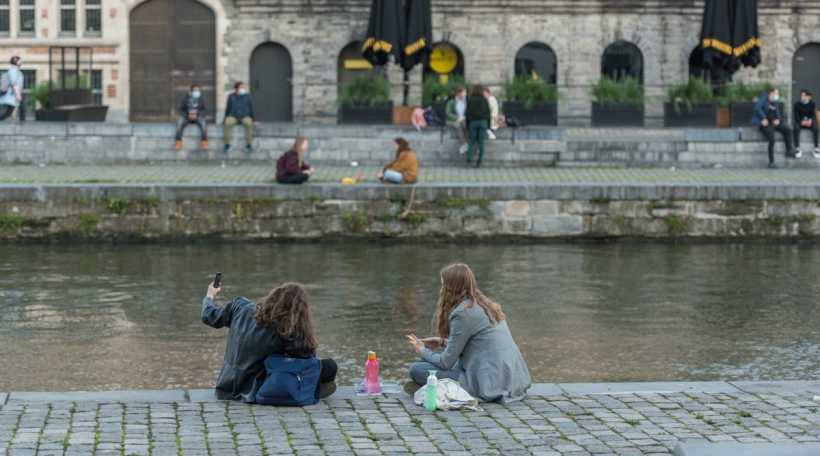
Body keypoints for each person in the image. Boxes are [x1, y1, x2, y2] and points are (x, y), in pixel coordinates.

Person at [406, 263, 531, 404]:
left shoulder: (462, 314)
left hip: (489, 384)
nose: (441, 290)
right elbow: (478, 346)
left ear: (450, 288)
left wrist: (422, 351)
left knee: (416, 369)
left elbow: (446, 362)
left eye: (443, 285)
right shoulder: (486, 305)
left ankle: (436, 388)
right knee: (452, 365)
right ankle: (434, 386)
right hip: (512, 380)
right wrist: (442, 342)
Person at [202, 280, 337, 403]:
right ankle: (311, 387)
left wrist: (210, 295)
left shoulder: (239, 306)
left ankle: (311, 387)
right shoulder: (285, 331)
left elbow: (209, 316)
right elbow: (309, 359)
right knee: (329, 366)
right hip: (254, 390)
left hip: (225, 386)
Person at [751, 87, 794, 169]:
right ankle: (771, 162)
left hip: (774, 123)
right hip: (765, 124)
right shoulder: (764, 98)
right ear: (771, 93)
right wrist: (763, 118)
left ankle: (789, 150)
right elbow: (757, 108)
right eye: (776, 94)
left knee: (787, 130)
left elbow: (777, 113)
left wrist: (778, 120)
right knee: (772, 139)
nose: (777, 96)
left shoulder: (774, 103)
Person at [223, 82, 257, 154]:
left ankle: (248, 145)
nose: (243, 89)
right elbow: (228, 108)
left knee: (248, 123)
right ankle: (227, 144)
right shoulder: (231, 96)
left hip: (245, 116)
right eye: (241, 87)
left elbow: (251, 108)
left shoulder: (247, 96)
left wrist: (253, 119)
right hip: (234, 116)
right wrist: (224, 119)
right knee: (227, 123)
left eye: (243, 87)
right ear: (236, 88)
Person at [174, 84, 208, 151]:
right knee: (180, 123)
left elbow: (205, 110)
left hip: (198, 116)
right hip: (187, 116)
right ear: (191, 91)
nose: (197, 92)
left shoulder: (202, 98)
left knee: (203, 123)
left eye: (198, 90)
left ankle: (204, 142)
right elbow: (180, 109)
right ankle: (178, 142)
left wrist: (197, 114)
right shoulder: (185, 98)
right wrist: (187, 115)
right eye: (195, 91)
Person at [465, 85, 492, 168]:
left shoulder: (470, 100)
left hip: (473, 122)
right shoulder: (484, 100)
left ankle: (469, 161)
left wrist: (467, 125)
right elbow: (488, 113)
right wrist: (488, 125)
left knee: (471, 142)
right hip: (483, 122)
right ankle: (479, 162)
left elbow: (467, 113)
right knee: (481, 142)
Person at [793, 90, 819, 159]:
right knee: (796, 128)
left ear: (809, 97)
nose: (802, 97)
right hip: (800, 121)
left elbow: (813, 115)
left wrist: (810, 120)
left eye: (804, 95)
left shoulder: (812, 104)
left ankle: (816, 149)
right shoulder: (797, 104)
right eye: (801, 95)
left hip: (809, 121)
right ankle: (797, 149)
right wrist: (801, 121)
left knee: (816, 129)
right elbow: (796, 116)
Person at [445, 87, 468, 155]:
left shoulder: (466, 101)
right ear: (459, 93)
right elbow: (448, 112)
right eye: (464, 92)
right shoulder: (451, 102)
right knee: (458, 126)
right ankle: (464, 144)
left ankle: (467, 144)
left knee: (466, 125)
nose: (465, 94)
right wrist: (456, 118)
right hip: (454, 120)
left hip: (464, 119)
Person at [0, 56, 23, 121]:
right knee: (10, 112)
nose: (20, 62)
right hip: (14, 94)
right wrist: (18, 94)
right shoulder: (13, 71)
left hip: (17, 93)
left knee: (22, 109)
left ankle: (23, 126)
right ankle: (23, 126)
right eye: (19, 60)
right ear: (15, 62)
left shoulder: (15, 70)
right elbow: (13, 83)